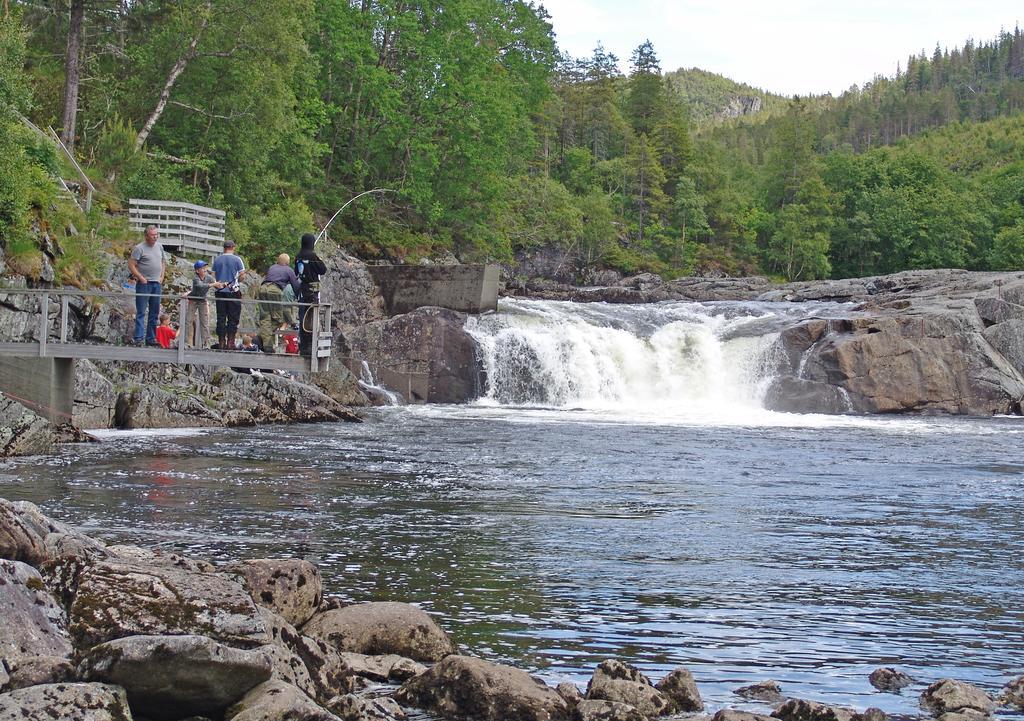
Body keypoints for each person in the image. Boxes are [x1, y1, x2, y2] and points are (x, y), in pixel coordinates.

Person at [128, 225, 167, 346]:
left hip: (156, 283)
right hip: (144, 284)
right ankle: (138, 337)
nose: (155, 237)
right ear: (146, 236)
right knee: (141, 311)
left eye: (156, 234)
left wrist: (162, 276)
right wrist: (140, 277)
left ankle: (151, 337)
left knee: (154, 312)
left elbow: (163, 262)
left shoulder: (159, 246)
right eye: (152, 235)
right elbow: (131, 264)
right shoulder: (139, 248)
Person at [257, 254, 300, 353]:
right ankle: (264, 342)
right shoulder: (289, 270)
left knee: (265, 318)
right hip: (274, 291)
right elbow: (295, 286)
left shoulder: (272, 267)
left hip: (263, 289)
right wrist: (299, 298)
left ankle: (265, 343)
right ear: (287, 262)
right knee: (279, 319)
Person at [295, 233, 327, 354]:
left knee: (303, 316)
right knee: (311, 318)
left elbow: (296, 272)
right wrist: (318, 259)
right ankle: (310, 346)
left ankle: (303, 345)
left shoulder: (298, 256)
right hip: (312, 292)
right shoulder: (313, 256)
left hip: (302, 291)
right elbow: (323, 270)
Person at [212, 239, 246, 350]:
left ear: (224, 248)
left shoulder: (217, 260)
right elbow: (242, 276)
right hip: (233, 292)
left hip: (220, 291)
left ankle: (221, 341)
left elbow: (213, 275)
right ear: (233, 247)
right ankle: (230, 342)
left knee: (221, 317)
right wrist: (239, 280)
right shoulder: (237, 260)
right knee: (233, 317)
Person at [184, 260, 222, 348]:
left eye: (205, 267)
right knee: (188, 321)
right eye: (202, 268)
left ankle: (205, 344)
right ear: (197, 271)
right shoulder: (195, 278)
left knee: (204, 322)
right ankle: (185, 342)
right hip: (193, 300)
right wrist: (213, 284)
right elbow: (200, 286)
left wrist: (222, 285)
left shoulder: (209, 277)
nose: (205, 269)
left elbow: (217, 285)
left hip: (202, 301)